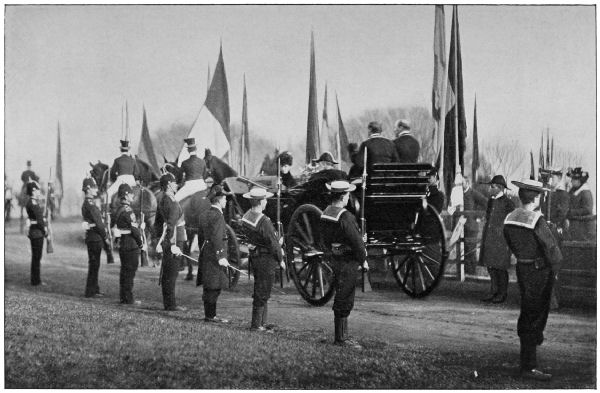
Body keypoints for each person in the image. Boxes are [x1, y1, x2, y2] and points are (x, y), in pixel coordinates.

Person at [503, 178, 562, 381]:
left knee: (527, 313)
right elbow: (552, 250)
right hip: (539, 271)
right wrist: (554, 270)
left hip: (522, 268)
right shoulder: (536, 220)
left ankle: (527, 360)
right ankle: (529, 366)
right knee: (535, 316)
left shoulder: (510, 218)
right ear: (536, 197)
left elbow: (509, 241)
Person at [320, 180, 366, 349]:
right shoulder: (346, 216)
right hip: (348, 260)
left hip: (334, 259)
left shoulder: (326, 213)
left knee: (342, 295)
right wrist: (364, 259)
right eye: (347, 194)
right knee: (345, 297)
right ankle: (341, 338)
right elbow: (356, 242)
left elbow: (324, 240)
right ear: (343, 196)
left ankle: (342, 336)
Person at [241, 187, 285, 331]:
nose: (266, 202)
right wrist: (281, 259)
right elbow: (272, 243)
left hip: (255, 257)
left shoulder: (246, 216)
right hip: (266, 259)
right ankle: (256, 325)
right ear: (260, 202)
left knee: (260, 288)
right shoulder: (264, 221)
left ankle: (261, 322)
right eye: (265, 199)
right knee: (263, 290)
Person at [479, 175, 515, 304]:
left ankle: (502, 293)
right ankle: (493, 291)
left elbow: (511, 221)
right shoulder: (491, 201)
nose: (490, 188)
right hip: (490, 239)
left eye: (492, 186)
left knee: (500, 268)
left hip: (501, 241)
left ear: (500, 188)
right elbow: (488, 217)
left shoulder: (508, 203)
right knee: (491, 266)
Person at [200, 184, 231, 323]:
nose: (226, 201)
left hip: (206, 252)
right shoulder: (218, 216)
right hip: (215, 255)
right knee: (214, 286)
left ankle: (209, 315)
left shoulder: (205, 214)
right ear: (218, 200)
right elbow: (218, 237)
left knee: (209, 285)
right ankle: (211, 316)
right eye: (224, 198)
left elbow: (202, 236)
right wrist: (221, 256)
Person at [156, 173, 187, 311]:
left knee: (168, 273)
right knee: (171, 274)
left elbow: (158, 223)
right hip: (174, 239)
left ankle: (168, 303)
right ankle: (170, 305)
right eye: (174, 183)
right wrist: (173, 244)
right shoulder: (171, 202)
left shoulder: (164, 199)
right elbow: (171, 225)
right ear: (169, 184)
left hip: (168, 240)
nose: (176, 185)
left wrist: (161, 240)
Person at [113, 183, 143, 305]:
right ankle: (128, 298)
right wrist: (141, 244)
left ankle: (124, 297)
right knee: (130, 271)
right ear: (125, 196)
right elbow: (135, 231)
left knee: (125, 271)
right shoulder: (129, 211)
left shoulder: (119, 209)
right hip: (131, 244)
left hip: (123, 243)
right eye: (130, 194)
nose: (133, 195)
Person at [81, 176, 109, 298]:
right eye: (94, 187)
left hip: (93, 236)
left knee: (95, 264)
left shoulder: (89, 202)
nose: (96, 189)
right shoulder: (90, 203)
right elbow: (98, 222)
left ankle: (94, 289)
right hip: (95, 237)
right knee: (94, 264)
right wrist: (105, 235)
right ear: (88, 189)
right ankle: (90, 291)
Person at [462, 176, 487, 272]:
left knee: (470, 250)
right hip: (461, 226)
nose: (461, 186)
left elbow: (486, 202)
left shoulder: (473, 193)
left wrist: (478, 216)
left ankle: (471, 272)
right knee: (462, 249)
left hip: (471, 226)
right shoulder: (458, 194)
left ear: (467, 183)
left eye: (462, 183)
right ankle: (463, 272)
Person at [25, 180, 46, 286]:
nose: (39, 192)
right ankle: (35, 280)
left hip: (34, 232)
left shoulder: (32, 202)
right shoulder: (33, 203)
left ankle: (35, 279)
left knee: (36, 257)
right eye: (37, 190)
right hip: (37, 232)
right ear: (33, 191)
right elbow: (39, 220)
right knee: (37, 257)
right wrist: (45, 230)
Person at [175, 138, 209, 202]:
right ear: (196, 149)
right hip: (202, 186)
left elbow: (179, 177)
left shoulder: (184, 163)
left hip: (189, 187)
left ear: (188, 150)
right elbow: (204, 175)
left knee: (174, 200)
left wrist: (178, 183)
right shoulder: (202, 161)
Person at [566, 167, 594, 240]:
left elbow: (588, 210)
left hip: (583, 229)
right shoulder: (574, 190)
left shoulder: (585, 192)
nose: (571, 181)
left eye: (574, 179)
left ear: (579, 181)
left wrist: (571, 212)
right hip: (575, 226)